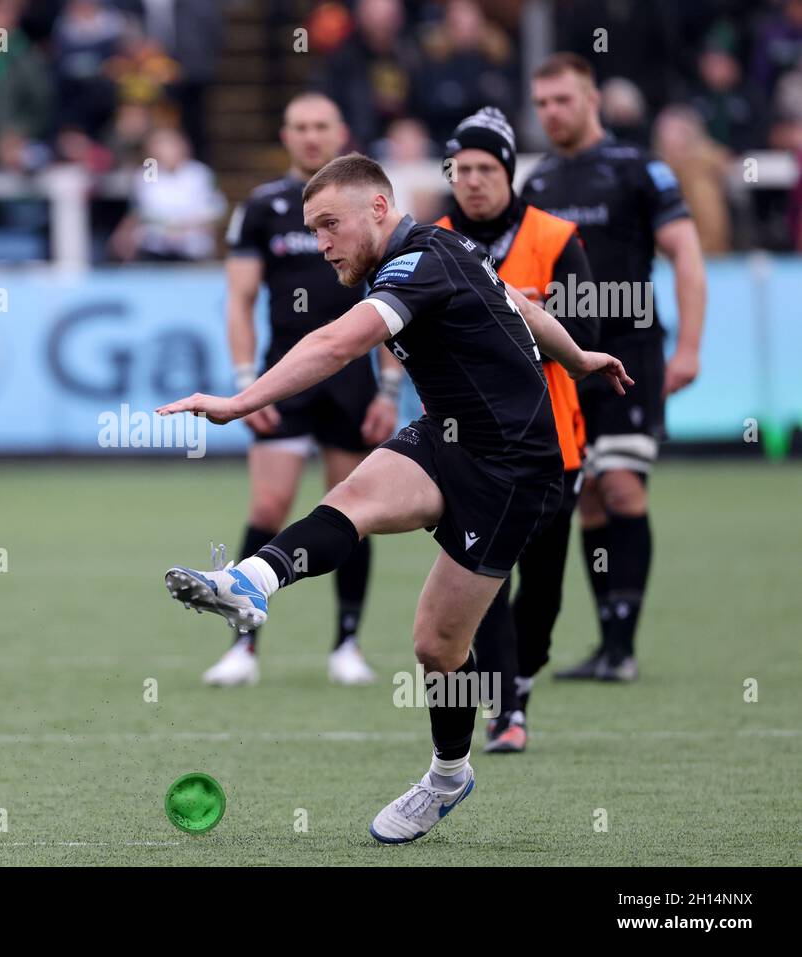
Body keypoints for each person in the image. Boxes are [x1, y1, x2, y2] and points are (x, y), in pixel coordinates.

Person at [156, 153, 631, 843]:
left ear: (379, 208)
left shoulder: (419, 262)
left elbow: (337, 343)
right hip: (448, 437)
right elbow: (524, 306)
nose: (321, 245)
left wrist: (240, 401)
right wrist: (578, 357)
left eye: (330, 225)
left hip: (515, 471)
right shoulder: (445, 246)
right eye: (313, 230)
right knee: (354, 496)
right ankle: (249, 581)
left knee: (437, 647)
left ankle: (447, 775)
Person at [202, 92, 400, 687]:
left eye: (321, 126)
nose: (311, 136)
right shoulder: (262, 207)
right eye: (300, 127)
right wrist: (246, 383)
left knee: (352, 508)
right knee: (268, 509)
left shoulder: (366, 205)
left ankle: (347, 645)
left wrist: (389, 389)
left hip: (354, 381)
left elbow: (394, 300)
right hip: (283, 378)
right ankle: (243, 647)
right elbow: (239, 300)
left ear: (340, 131)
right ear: (285, 136)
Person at [522, 53, 706, 681]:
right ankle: (608, 643)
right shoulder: (539, 182)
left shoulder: (638, 169)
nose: (552, 113)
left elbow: (686, 254)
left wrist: (689, 347)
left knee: (622, 483)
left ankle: (623, 649)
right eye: (542, 103)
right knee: (590, 496)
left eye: (562, 100)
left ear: (592, 99)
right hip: (566, 360)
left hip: (631, 353)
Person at [436, 107, 596, 753]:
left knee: (544, 589)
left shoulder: (554, 237)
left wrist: (516, 315)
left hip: (552, 442)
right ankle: (506, 707)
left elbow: (587, 332)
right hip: (470, 444)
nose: (472, 180)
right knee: (485, 576)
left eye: (485, 167)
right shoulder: (432, 239)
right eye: (460, 169)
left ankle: (523, 680)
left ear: (508, 171)